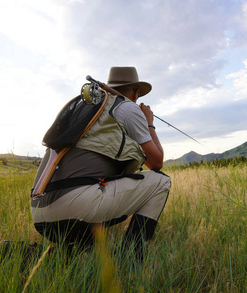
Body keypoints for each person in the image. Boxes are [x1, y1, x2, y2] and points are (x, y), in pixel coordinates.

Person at [30, 66, 171, 260]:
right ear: (135, 92)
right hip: (76, 207)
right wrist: (149, 123)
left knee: (88, 255)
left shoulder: (86, 112)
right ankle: (132, 258)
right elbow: (157, 163)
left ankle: (26, 255)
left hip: (39, 213)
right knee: (161, 181)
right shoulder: (127, 108)